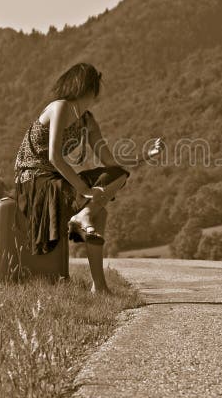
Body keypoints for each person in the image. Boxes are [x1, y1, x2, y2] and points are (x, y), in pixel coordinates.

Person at [13, 62, 164, 294]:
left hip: (56, 180)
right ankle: (85, 218)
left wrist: (147, 155)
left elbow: (111, 164)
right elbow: (54, 157)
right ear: (88, 88)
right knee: (98, 210)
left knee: (112, 186)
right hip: (33, 179)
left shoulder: (88, 121)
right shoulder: (60, 107)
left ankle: (99, 285)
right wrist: (84, 189)